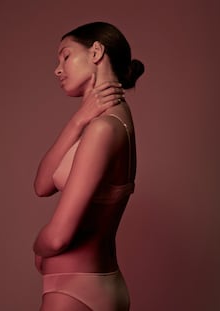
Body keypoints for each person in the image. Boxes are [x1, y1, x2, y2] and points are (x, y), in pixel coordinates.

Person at [33, 21, 144, 311]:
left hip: (74, 291)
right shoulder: (103, 122)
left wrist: (37, 248)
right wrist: (78, 119)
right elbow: (42, 185)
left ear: (96, 52)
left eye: (65, 56)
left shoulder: (103, 129)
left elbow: (58, 238)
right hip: (93, 282)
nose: (57, 69)